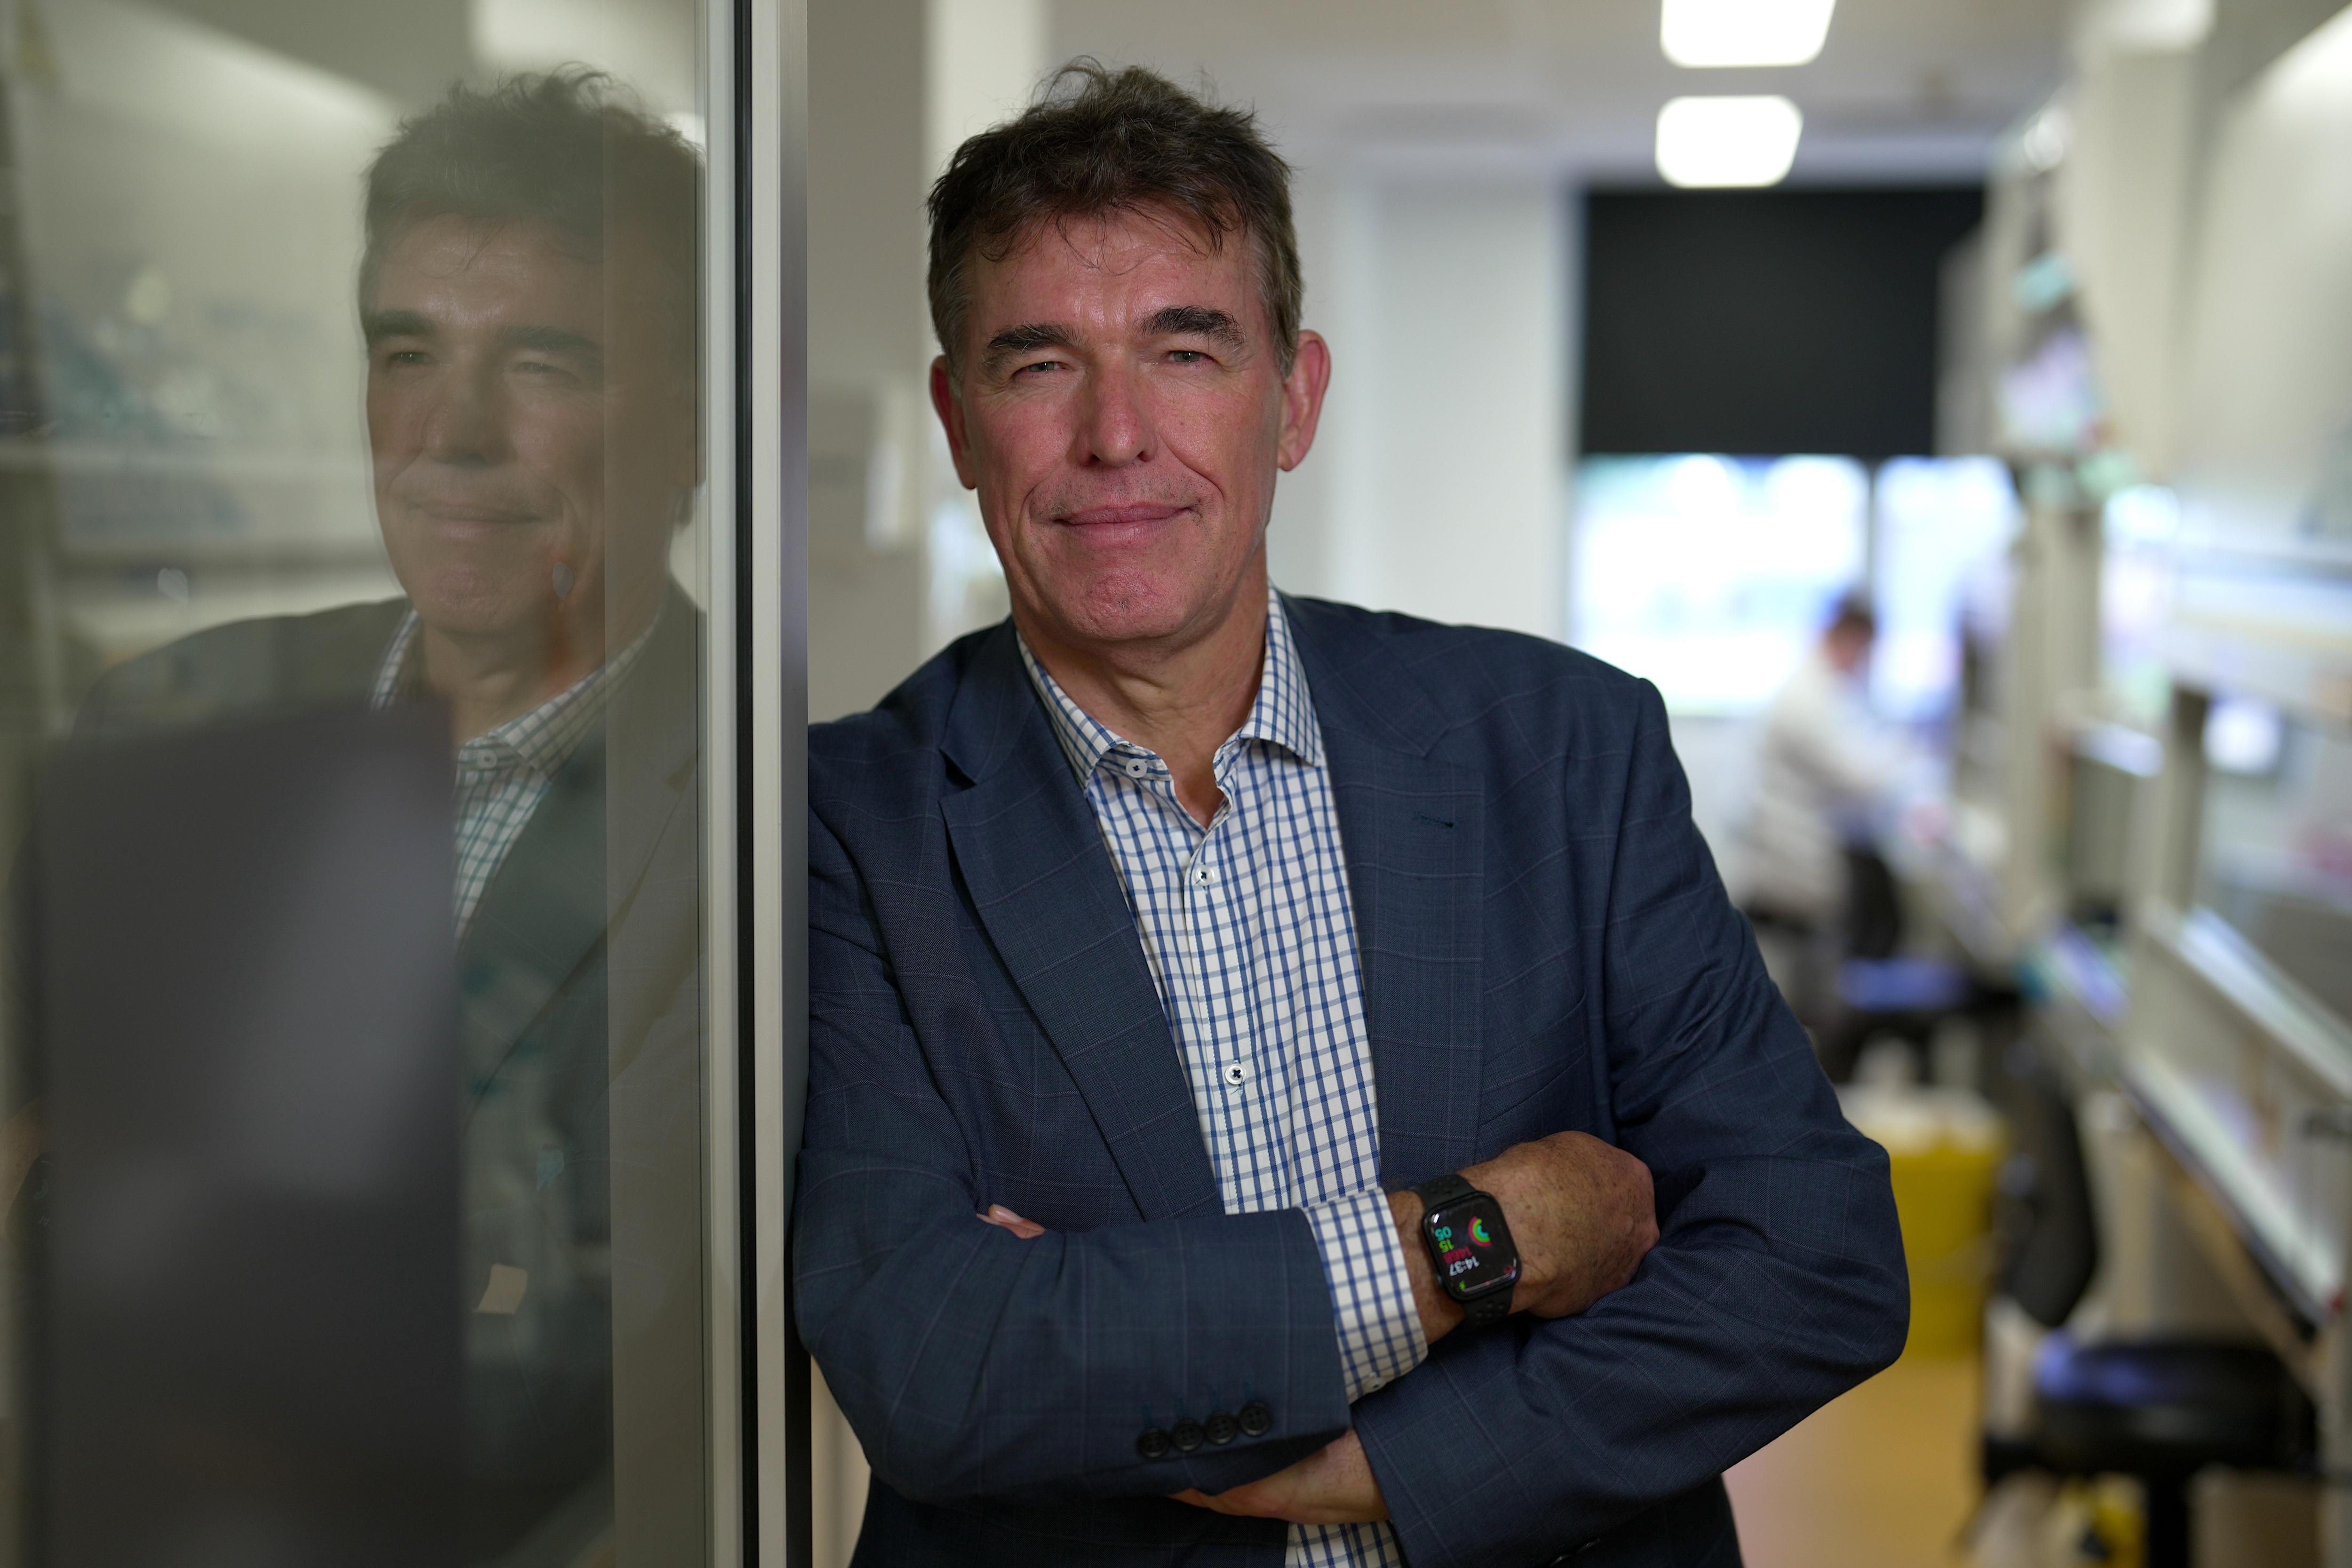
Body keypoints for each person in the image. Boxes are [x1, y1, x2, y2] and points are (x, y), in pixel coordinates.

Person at [800, 63, 1908, 1568]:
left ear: (1294, 397)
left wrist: (1395, 1461)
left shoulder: (1563, 749)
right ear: (955, 417)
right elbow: (939, 1370)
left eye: (1186, 349)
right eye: (1038, 363)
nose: (1116, 435)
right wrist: (1481, 1238)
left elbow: (1817, 1258)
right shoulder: (846, 825)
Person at [54, 72, 708, 1566]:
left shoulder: (763, 814)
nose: (451, 432)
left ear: (687, 422)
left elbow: (577, 1358)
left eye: (543, 361)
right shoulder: (176, 711)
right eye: (408, 350)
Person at [1739, 596, 1906, 1035]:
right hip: (1794, 866)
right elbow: (1857, 775)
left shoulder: (1823, 688)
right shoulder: (1807, 697)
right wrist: (1907, 753)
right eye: (1866, 651)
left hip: (1802, 856)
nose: (1866, 663)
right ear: (1850, 638)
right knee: (1812, 995)